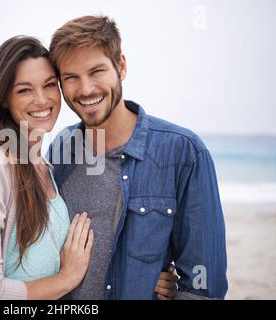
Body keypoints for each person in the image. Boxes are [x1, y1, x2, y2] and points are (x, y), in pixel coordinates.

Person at [0, 35, 178, 299]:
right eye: (25, 90)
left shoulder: (46, 165)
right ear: (4, 98)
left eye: (49, 85)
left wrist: (144, 275)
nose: (41, 100)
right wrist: (66, 278)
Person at [47, 15, 228, 300]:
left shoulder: (184, 153)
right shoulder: (60, 149)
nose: (85, 89)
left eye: (97, 71)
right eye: (71, 78)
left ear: (121, 66)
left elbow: (203, 284)